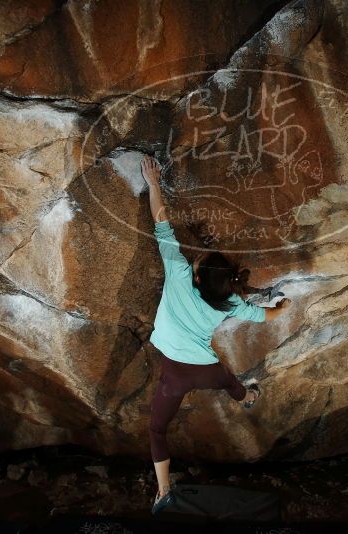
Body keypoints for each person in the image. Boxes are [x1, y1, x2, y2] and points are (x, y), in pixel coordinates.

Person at [139, 155, 291, 515]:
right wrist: (281, 307)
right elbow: (264, 316)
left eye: (201, 260)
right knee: (227, 380)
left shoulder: (177, 273)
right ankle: (247, 399)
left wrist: (154, 184)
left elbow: (161, 222)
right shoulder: (231, 305)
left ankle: (163, 491)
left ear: (195, 277)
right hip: (205, 369)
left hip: (174, 372)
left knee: (157, 431)